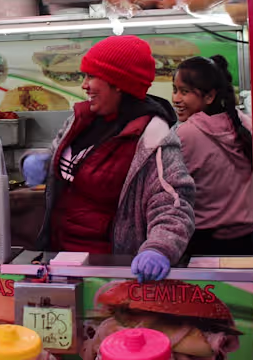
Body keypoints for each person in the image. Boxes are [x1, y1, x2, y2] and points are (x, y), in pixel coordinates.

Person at [27, 35, 196, 282]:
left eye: (91, 76)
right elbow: (63, 162)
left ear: (118, 83)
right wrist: (42, 161)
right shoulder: (80, 119)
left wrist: (159, 248)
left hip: (109, 270)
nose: (84, 85)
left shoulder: (152, 136)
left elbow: (173, 202)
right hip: (58, 260)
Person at [173, 55, 253, 257]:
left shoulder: (184, 134)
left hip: (203, 243)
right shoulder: (243, 122)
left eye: (185, 92)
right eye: (175, 90)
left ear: (209, 96)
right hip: (251, 240)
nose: (176, 98)